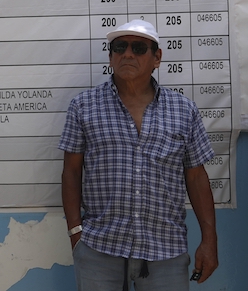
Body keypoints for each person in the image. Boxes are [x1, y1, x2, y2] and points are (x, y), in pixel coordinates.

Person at [59, 19, 218, 290]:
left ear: (157, 57)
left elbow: (197, 177)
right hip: (99, 248)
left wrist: (209, 241)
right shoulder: (83, 107)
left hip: (165, 249)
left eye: (138, 48)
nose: (127, 54)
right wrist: (76, 233)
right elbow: (72, 172)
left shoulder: (184, 110)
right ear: (110, 57)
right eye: (119, 47)